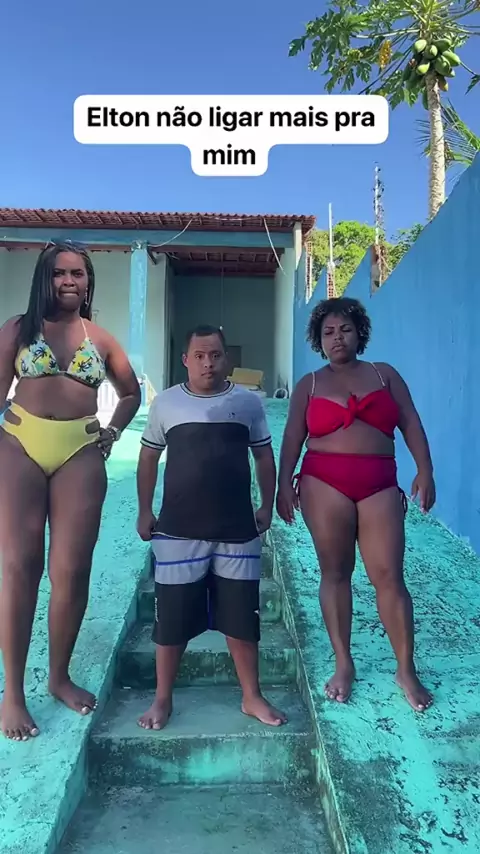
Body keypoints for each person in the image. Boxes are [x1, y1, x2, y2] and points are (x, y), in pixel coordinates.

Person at [0, 242, 141, 741]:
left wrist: (114, 429)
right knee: (20, 567)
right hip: (19, 445)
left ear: (88, 281)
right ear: (45, 278)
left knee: (72, 570)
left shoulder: (100, 340)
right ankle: (13, 694)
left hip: (80, 451)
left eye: (77, 273)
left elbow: (131, 392)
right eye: (59, 273)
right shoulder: (18, 329)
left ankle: (59, 677)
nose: (68, 281)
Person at [276, 297, 435, 713]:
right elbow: (292, 436)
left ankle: (406, 669)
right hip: (323, 482)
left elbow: (410, 422)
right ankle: (343, 662)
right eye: (328, 332)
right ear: (318, 340)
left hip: (379, 483)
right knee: (335, 572)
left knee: (389, 575)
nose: (337, 338)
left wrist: (425, 470)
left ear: (359, 333)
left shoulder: (385, 375)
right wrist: (282, 485)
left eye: (345, 330)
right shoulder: (309, 384)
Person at [136, 324, 286, 730]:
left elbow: (264, 457)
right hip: (177, 531)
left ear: (226, 359)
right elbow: (148, 458)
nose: (208, 363)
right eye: (199, 356)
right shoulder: (166, 403)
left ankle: (251, 696)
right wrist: (144, 510)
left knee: (242, 619)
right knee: (172, 620)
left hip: (237, 530)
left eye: (215, 355)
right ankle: (162, 699)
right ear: (185, 360)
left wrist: (266, 505)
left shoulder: (247, 403)